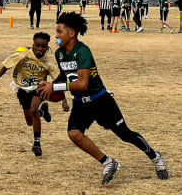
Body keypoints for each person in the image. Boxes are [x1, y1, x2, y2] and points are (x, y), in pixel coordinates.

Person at [38, 12, 169, 185]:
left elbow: (83, 84)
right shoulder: (60, 53)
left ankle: (155, 156)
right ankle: (108, 162)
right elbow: (66, 75)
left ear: (72, 33)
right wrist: (47, 88)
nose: (56, 35)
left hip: (100, 101)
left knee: (125, 135)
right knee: (74, 133)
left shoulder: (83, 51)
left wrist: (54, 87)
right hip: (81, 103)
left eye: (59, 31)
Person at [0, 32, 69, 156]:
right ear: (33, 45)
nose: (40, 49)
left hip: (39, 89)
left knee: (34, 109)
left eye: (43, 46)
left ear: (47, 47)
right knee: (30, 121)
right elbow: (6, 66)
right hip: (22, 89)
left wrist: (63, 99)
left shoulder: (49, 61)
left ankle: (37, 143)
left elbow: (57, 81)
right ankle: (43, 112)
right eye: (37, 46)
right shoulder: (23, 54)